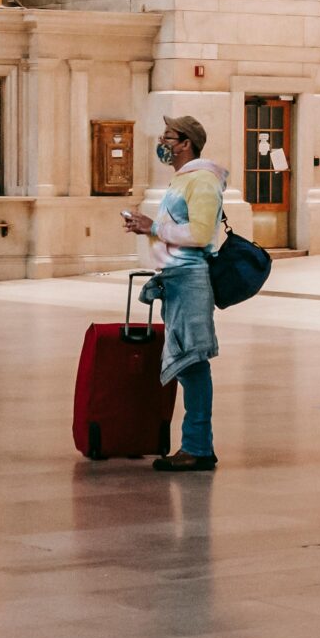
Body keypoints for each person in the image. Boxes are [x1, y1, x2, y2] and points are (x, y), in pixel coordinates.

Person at [122, 114, 224, 472]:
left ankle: (197, 447)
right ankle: (197, 445)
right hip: (176, 278)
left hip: (191, 279)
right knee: (186, 363)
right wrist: (147, 229)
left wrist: (155, 225)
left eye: (168, 137)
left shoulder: (204, 181)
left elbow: (199, 235)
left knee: (193, 362)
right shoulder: (183, 181)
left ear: (186, 143)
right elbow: (175, 230)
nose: (162, 143)